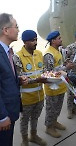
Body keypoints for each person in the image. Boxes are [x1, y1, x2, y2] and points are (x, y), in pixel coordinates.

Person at [13, 30, 47, 146]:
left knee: (35, 118)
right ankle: (25, 140)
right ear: (25, 42)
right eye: (32, 40)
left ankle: (33, 135)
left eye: (36, 39)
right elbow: (20, 79)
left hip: (40, 95)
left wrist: (49, 77)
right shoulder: (17, 57)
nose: (35, 42)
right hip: (26, 98)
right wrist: (37, 80)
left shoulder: (39, 53)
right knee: (24, 120)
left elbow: (43, 72)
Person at [0, 13, 28, 146]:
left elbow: (4, 79)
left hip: (10, 111)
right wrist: (2, 117)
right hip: (3, 115)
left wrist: (18, 80)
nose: (18, 30)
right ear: (5, 30)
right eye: (16, 26)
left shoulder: (7, 51)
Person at [44, 31, 73, 138]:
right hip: (52, 87)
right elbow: (49, 72)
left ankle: (54, 122)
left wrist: (65, 64)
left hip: (60, 85)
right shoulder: (49, 54)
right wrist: (66, 68)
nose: (61, 39)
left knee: (57, 107)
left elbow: (58, 65)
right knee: (51, 108)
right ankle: (49, 127)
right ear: (53, 41)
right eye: (59, 38)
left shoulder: (57, 51)